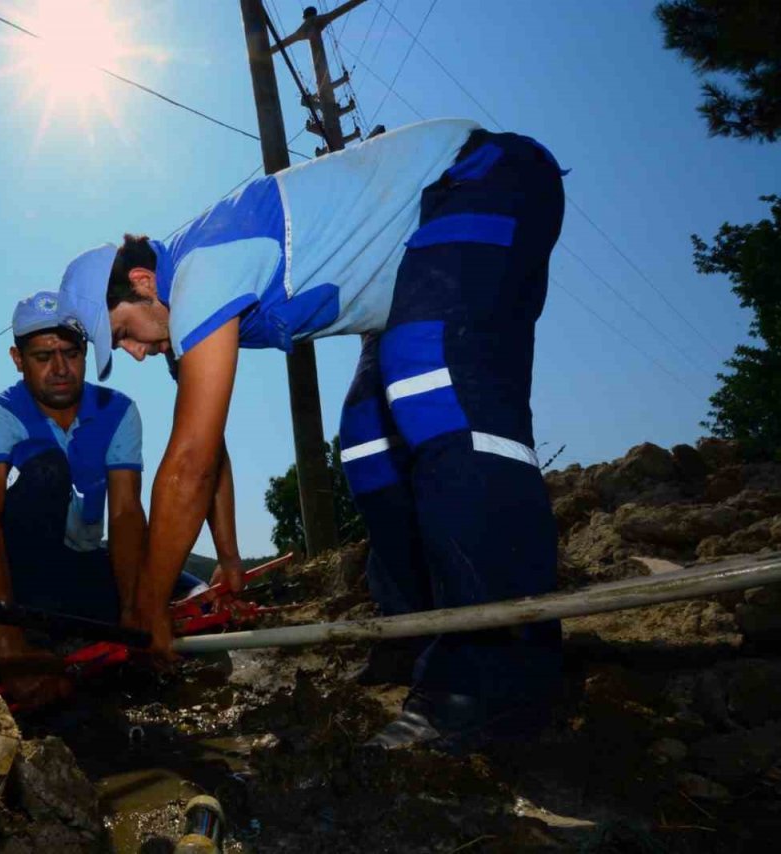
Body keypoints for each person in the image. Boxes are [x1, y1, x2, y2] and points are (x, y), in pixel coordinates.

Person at [56, 118, 568, 751]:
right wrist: (231, 556)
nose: (132, 353)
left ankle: (499, 671)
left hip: (487, 177)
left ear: (140, 283)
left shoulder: (199, 272)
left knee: (428, 383)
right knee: (367, 444)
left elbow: (186, 462)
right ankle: (419, 632)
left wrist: (150, 607)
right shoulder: (181, 294)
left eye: (124, 333)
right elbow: (208, 451)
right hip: (423, 264)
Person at [0, 291, 205, 709]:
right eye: (42, 356)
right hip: (6, 567)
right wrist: (8, 652)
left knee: (183, 590)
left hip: (74, 567)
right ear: (17, 359)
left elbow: (124, 514)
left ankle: (103, 622)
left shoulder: (119, 411)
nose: (60, 369)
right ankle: (23, 632)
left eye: (70, 353)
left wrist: (134, 609)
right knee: (49, 469)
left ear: (86, 352)